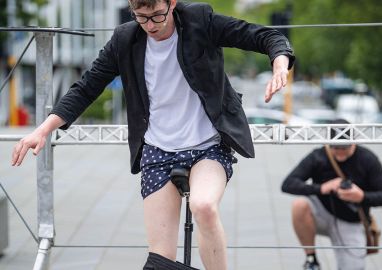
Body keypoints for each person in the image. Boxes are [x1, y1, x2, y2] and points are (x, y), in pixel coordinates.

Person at [12, 1, 294, 269]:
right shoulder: (125, 39)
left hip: (207, 144)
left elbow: (262, 35)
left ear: (172, 3)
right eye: (141, 16)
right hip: (158, 149)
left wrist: (279, 63)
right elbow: (87, 87)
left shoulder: (200, 20)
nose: (150, 25)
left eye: (158, 15)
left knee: (204, 206)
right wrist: (43, 129)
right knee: (161, 258)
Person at [281, 119, 382, 270]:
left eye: (344, 148)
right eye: (335, 147)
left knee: (354, 267)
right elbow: (287, 184)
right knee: (299, 205)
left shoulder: (368, 159)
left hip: (351, 220)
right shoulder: (319, 156)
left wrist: (362, 197)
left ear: (354, 142)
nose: (339, 152)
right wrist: (321, 188)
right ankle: (311, 259)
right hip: (322, 213)